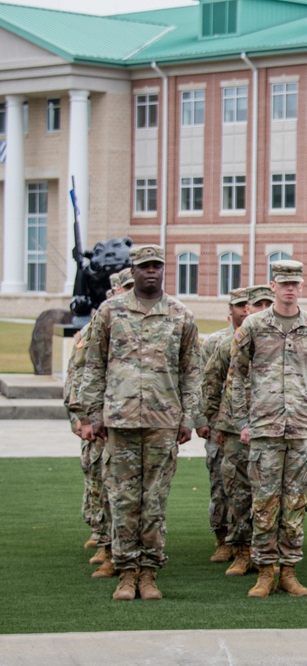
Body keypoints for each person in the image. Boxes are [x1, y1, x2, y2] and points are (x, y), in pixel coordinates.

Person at [77, 244, 201, 601]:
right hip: (121, 421)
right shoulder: (111, 311)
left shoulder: (180, 315)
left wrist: (188, 418)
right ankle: (126, 572)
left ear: (164, 270)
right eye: (144, 266)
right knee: (123, 499)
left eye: (157, 266)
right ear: (132, 271)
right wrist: (93, 413)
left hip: (163, 420)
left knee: (155, 501)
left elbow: (191, 371)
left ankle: (149, 573)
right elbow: (94, 364)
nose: (151, 271)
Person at [229, 260, 307, 598]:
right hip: (264, 428)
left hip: (303, 428)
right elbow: (237, 376)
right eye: (283, 283)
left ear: (302, 287)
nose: (290, 288)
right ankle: (263, 571)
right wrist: (242, 423)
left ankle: (288, 570)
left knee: (294, 503)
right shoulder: (253, 325)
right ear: (272, 286)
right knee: (264, 503)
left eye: (295, 283)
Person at [200, 284, 274, 578]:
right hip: (234, 432)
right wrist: (215, 422)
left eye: (266, 304)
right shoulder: (225, 344)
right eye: (254, 305)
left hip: (271, 428)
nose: (255, 310)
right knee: (238, 493)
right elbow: (211, 384)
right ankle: (242, 552)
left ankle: (268, 553)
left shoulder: (281, 343)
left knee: (269, 493)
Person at [65, 266, 133, 581]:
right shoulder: (96, 327)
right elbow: (78, 373)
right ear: (112, 293)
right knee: (103, 483)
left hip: (136, 420)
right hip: (103, 419)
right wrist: (80, 416)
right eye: (125, 288)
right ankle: (106, 543)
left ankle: (134, 550)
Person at [197, 291, 250, 563]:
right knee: (221, 484)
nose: (247, 310)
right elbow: (206, 383)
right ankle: (222, 538)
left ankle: (249, 543)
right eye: (241, 305)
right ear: (231, 309)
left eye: (253, 305)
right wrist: (205, 420)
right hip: (223, 427)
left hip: (256, 428)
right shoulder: (217, 342)